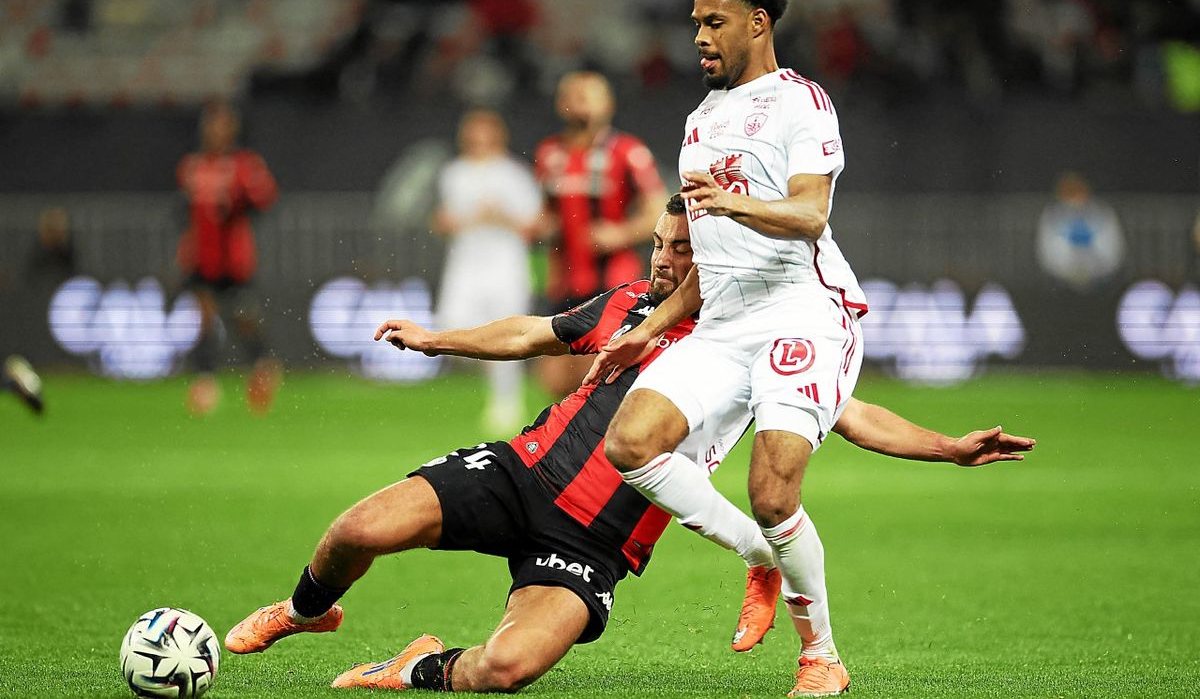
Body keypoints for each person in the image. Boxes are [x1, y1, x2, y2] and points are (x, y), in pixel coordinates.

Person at [223, 199, 1035, 693]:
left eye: (681, 252)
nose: (663, 260)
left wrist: (948, 448)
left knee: (506, 671)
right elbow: (536, 332)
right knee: (355, 530)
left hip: (594, 546)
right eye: (659, 245)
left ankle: (414, 668)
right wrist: (441, 341)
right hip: (520, 475)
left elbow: (852, 414)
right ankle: (303, 612)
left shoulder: (752, 344)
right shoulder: (623, 307)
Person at [588, 0, 872, 696]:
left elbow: (812, 214)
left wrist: (734, 202)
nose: (700, 39)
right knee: (630, 442)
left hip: (803, 310)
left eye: (714, 23)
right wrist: (650, 329)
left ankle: (822, 657)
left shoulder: (800, 103)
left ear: (758, 22)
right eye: (695, 26)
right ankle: (757, 556)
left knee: (774, 491)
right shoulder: (699, 121)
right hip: (725, 318)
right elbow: (707, 262)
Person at [534, 71, 668, 397]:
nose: (581, 104)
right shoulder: (549, 154)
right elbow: (546, 212)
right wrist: (543, 226)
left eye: (589, 96)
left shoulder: (626, 151)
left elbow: (659, 210)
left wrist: (620, 233)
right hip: (562, 279)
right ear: (560, 103)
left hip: (611, 279)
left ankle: (602, 442)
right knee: (554, 380)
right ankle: (573, 442)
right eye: (574, 96)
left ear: (607, 104)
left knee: (596, 376)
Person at [433, 109, 542, 433]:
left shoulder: (513, 173)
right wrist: (452, 221)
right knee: (449, 326)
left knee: (508, 330)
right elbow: (442, 219)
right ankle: (489, 366)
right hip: (465, 262)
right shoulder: (454, 173)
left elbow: (534, 223)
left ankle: (506, 402)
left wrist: (500, 215)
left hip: (505, 262)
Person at [176, 99, 281, 416]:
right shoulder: (193, 166)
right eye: (212, 125)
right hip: (202, 257)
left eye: (222, 125)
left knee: (242, 316)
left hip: (234, 258)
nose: (216, 132)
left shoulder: (245, 165)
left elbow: (265, 199)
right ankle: (206, 381)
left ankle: (262, 366)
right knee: (205, 316)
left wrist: (239, 199)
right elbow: (189, 213)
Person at [1036, 171, 1125, 291]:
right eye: (1069, 192)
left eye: (1077, 191)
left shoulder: (1102, 213)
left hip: (1100, 280)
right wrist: (1066, 270)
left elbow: (1113, 245)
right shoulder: (1052, 215)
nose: (1074, 198)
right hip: (1061, 281)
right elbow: (1047, 250)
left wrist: (1096, 269)